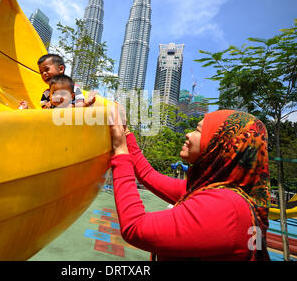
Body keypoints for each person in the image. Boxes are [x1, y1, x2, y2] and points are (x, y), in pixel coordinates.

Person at [109, 107, 271, 261]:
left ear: (221, 144)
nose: (188, 134)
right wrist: (126, 132)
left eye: (198, 130)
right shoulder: (214, 189)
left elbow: (135, 227)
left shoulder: (226, 208)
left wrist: (120, 151)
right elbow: (147, 175)